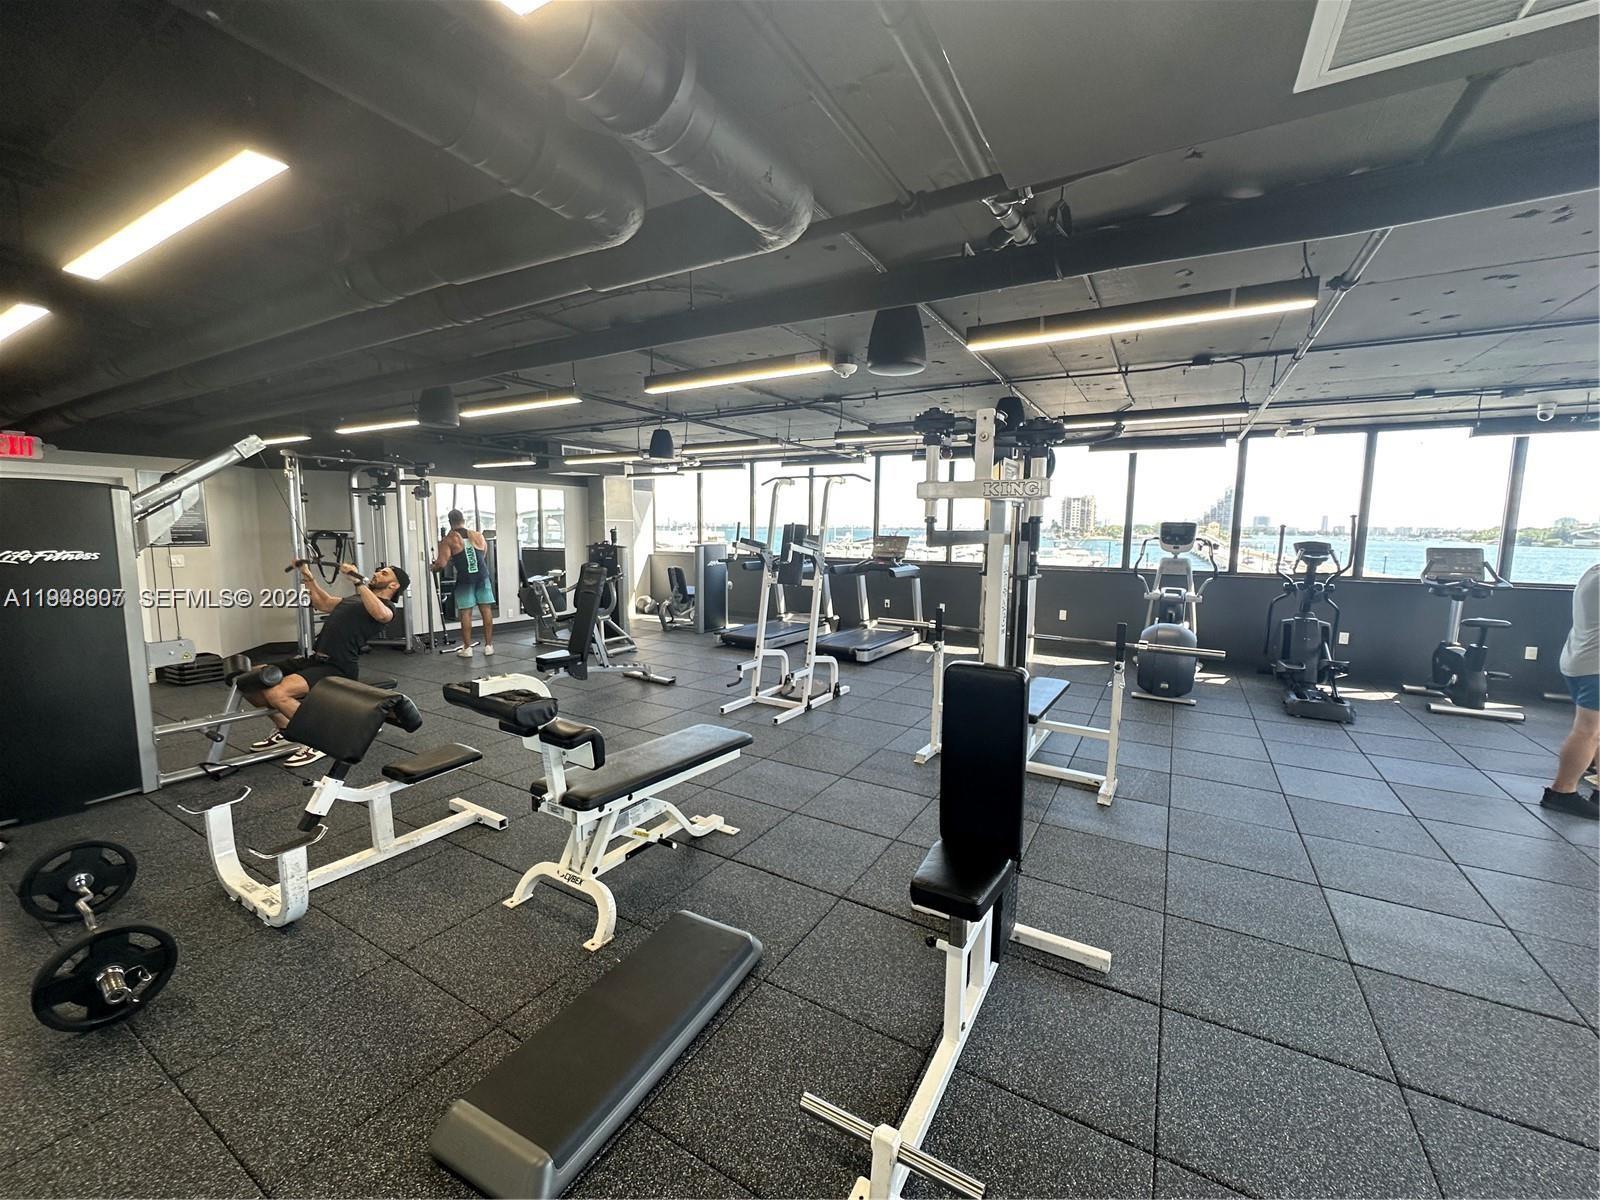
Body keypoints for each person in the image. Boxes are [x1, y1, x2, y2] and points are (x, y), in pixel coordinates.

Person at [247, 560, 409, 768]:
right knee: (251, 679)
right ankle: (287, 730)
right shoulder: (355, 599)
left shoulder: (387, 607)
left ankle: (320, 740)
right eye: (378, 571)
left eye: (384, 573)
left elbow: (381, 615)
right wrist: (308, 576)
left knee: (278, 693)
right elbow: (323, 603)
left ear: (394, 585)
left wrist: (357, 581)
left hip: (338, 667)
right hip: (315, 660)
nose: (377, 573)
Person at [1543, 560, 1599, 820]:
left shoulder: (1594, 571)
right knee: (1588, 732)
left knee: (1596, 732)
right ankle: (1562, 792)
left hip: (1580, 659)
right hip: (1595, 666)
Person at [434, 509, 495, 658]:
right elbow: (483, 555)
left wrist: (432, 567)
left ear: (450, 522)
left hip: (465, 579)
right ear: (463, 520)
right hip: (482, 576)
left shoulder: (449, 539)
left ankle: (467, 648)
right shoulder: (478, 535)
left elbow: (441, 564)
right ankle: (489, 646)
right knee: (486, 610)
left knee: (466, 613)